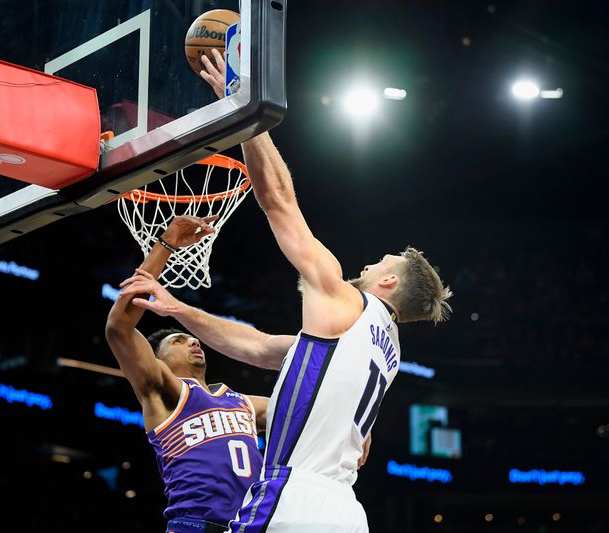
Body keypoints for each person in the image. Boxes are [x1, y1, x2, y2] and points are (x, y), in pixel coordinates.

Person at [122, 50, 453, 532]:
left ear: (389, 282)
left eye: (380, 262)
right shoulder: (386, 350)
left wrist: (244, 110)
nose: (367, 263)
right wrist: (177, 308)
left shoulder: (344, 297)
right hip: (345, 512)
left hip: (294, 494)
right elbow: (257, 346)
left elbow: (277, 199)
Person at [105, 215, 281, 533]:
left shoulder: (244, 403)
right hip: (195, 525)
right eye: (179, 340)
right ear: (157, 359)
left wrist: (357, 427)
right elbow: (118, 328)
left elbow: (304, 410)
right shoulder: (163, 389)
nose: (193, 341)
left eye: (192, 338)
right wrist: (166, 244)